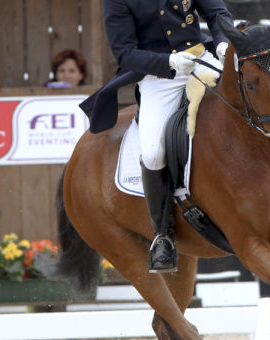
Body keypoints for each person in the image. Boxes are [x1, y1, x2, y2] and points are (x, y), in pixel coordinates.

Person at [79, 0, 233, 273]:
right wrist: (168, 62)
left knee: (257, 94)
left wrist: (222, 41)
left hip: (202, 60)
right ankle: (163, 236)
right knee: (152, 153)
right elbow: (125, 53)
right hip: (159, 78)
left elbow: (216, 12)